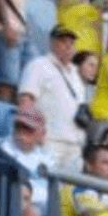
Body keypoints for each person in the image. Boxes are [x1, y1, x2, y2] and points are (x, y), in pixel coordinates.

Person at [20, 26, 88, 169]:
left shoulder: (75, 73)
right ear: (52, 43)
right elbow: (26, 100)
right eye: (63, 41)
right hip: (50, 140)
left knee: (68, 189)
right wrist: (31, 132)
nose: (68, 46)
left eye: (71, 43)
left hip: (75, 144)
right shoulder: (39, 65)